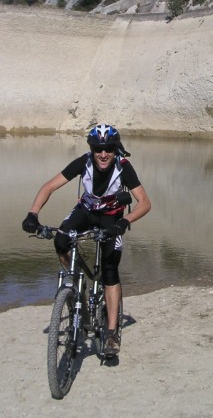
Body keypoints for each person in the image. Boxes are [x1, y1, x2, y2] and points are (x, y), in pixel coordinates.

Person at [21, 123, 151, 357]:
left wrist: (125, 221)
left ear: (115, 149)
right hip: (87, 212)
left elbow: (145, 203)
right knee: (60, 240)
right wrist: (33, 213)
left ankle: (111, 332)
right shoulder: (84, 162)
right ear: (91, 148)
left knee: (110, 270)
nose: (103, 154)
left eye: (109, 149)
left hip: (112, 218)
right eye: (98, 148)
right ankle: (75, 289)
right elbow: (49, 186)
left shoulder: (123, 167)